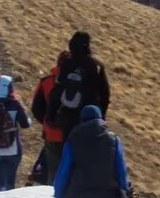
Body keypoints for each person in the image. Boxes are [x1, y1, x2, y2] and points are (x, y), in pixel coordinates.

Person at [32, 32, 111, 184]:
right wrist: (101, 119)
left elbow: (56, 93)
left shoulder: (66, 65)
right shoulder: (96, 66)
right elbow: (105, 96)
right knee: (83, 167)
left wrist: (50, 117)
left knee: (57, 170)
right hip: (88, 123)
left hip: (64, 122)